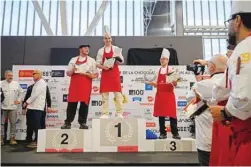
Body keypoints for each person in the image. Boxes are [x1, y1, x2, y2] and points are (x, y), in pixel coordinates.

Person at [209, 1, 251, 165]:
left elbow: (244, 97)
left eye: (229, 22)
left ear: (238, 20)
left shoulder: (245, 49)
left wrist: (225, 112)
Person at [187, 55, 228, 166]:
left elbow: (190, 106)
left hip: (207, 142)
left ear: (211, 68)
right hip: (229, 141)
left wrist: (198, 80)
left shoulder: (201, 85)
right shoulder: (233, 83)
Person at [61, 45, 98, 129]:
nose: (87, 49)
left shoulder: (92, 60)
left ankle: (82, 122)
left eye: (88, 48)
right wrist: (72, 70)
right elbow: (68, 73)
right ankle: (68, 122)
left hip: (86, 83)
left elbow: (96, 74)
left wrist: (87, 74)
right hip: (75, 83)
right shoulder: (73, 59)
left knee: (84, 104)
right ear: (80, 49)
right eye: (85, 48)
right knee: (72, 103)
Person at [148, 48, 181, 139]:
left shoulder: (172, 70)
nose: (162, 60)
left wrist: (175, 82)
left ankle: (175, 133)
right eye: (161, 59)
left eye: (164, 59)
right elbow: (156, 83)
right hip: (160, 94)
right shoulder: (157, 71)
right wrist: (153, 84)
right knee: (161, 115)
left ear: (168, 60)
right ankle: (163, 133)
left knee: (172, 114)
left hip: (169, 94)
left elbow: (176, 83)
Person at [96, 33, 124, 119]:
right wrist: (103, 67)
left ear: (111, 39)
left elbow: (122, 61)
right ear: (103, 40)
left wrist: (118, 59)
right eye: (105, 38)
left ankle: (119, 113)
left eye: (109, 38)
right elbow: (97, 63)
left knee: (118, 94)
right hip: (105, 73)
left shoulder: (116, 49)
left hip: (114, 73)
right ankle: (105, 113)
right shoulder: (101, 50)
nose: (107, 40)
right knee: (105, 95)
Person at [23, 70, 46, 148]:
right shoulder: (37, 83)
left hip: (37, 107)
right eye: (33, 74)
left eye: (34, 74)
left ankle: (37, 141)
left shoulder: (41, 82)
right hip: (33, 107)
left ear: (39, 75)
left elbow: (35, 95)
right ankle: (32, 140)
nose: (33, 76)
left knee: (37, 125)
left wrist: (26, 102)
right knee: (32, 124)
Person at [1, 70, 23, 145]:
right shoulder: (0, 83)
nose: (11, 77)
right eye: (9, 75)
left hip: (13, 107)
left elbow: (22, 92)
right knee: (1, 124)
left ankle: (12, 139)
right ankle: (1, 138)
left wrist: (19, 100)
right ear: (5, 75)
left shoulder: (16, 84)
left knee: (13, 123)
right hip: (2, 107)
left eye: (11, 76)